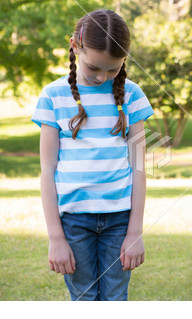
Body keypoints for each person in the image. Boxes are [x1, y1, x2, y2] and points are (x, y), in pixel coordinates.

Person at [31, 9, 154, 301]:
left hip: (119, 220)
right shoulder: (53, 96)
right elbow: (47, 171)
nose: (103, 77)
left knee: (115, 297)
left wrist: (135, 231)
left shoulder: (132, 96)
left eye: (113, 70)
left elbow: (138, 167)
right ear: (75, 46)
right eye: (94, 68)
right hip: (73, 221)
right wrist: (56, 237)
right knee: (84, 298)